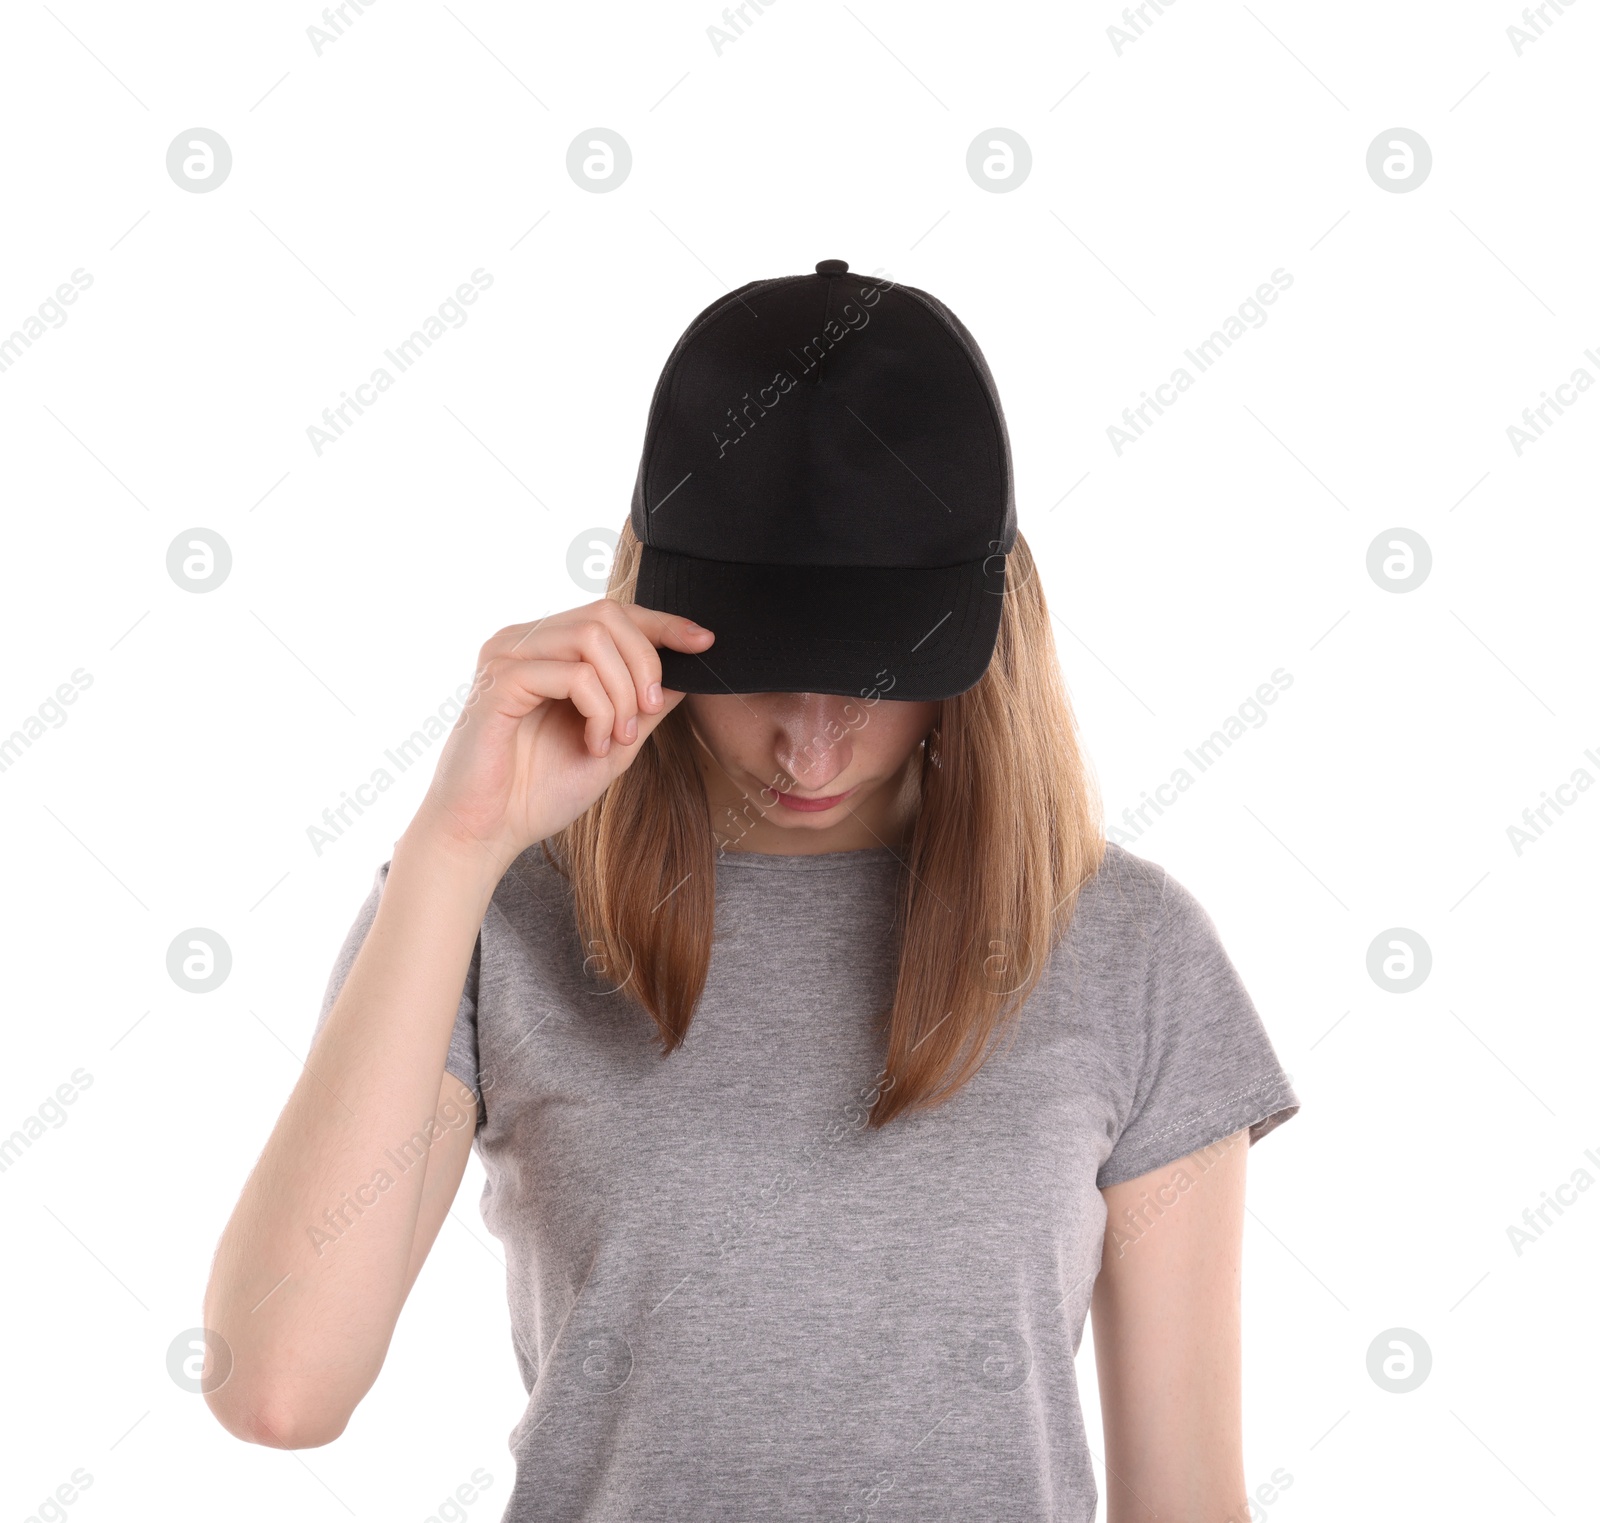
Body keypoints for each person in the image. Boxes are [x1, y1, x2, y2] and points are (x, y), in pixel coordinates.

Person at [202, 260, 1299, 1522]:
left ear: (981, 639)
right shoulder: (493, 914)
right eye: (764, 670)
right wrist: (453, 850)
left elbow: (1186, 1506)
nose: (812, 745)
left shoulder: (1126, 947)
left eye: (876, 675)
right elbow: (277, 1391)